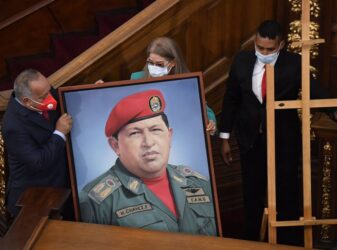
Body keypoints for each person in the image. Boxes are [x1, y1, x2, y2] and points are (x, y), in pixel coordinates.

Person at [219, 20, 337, 245]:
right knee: (251, 191)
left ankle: (288, 242)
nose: (264, 52)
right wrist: (224, 137)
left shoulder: (294, 63)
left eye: (270, 49)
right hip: (250, 138)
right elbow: (231, 99)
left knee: (286, 190)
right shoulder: (242, 60)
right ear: (255, 42)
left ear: (281, 44)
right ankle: (250, 240)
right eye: (260, 48)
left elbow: (314, 89)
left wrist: (336, 113)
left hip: (283, 140)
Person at [79, 89, 217, 236]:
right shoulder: (95, 201)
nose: (149, 142)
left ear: (169, 137)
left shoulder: (199, 183)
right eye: (135, 133)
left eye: (155, 130)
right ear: (116, 146)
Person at [2, 69, 73, 217]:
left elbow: (60, 95)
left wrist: (90, 88)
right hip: (33, 199)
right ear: (27, 101)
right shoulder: (13, 125)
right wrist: (59, 133)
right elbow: (38, 161)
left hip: (59, 187)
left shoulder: (43, 93)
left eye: (49, 89)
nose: (50, 97)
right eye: (43, 96)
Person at [130, 36, 217, 134]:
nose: (153, 68)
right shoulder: (136, 78)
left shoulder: (187, 82)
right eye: (150, 62)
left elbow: (204, 109)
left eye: (159, 64)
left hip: (177, 132)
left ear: (172, 63)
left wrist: (210, 123)